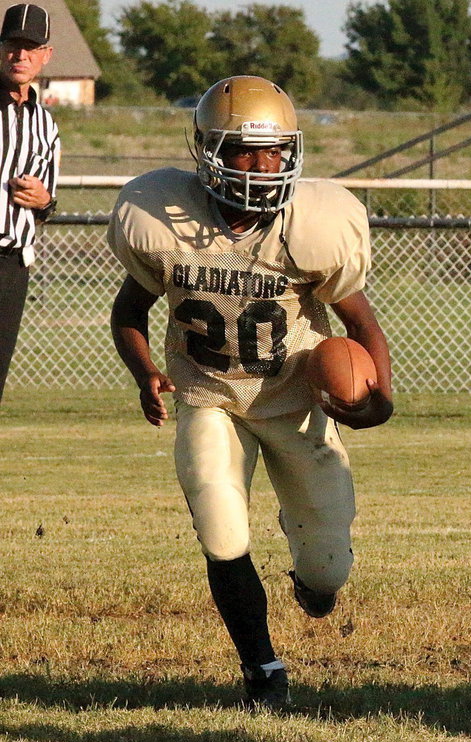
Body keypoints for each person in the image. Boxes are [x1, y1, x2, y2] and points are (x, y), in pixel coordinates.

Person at [109, 75, 393, 709]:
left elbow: (362, 325)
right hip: (210, 395)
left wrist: (380, 400)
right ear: (208, 149)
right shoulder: (163, 219)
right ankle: (262, 669)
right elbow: (128, 311)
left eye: (276, 151)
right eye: (245, 150)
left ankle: (314, 585)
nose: (264, 166)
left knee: (326, 570)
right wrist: (144, 370)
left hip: (295, 404)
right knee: (220, 525)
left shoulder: (309, 227)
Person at [0, 4, 59, 402]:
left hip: (11, 265)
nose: (20, 56)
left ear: (45, 55)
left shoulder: (47, 124)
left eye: (30, 47)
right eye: (12, 45)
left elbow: (47, 205)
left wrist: (44, 200)